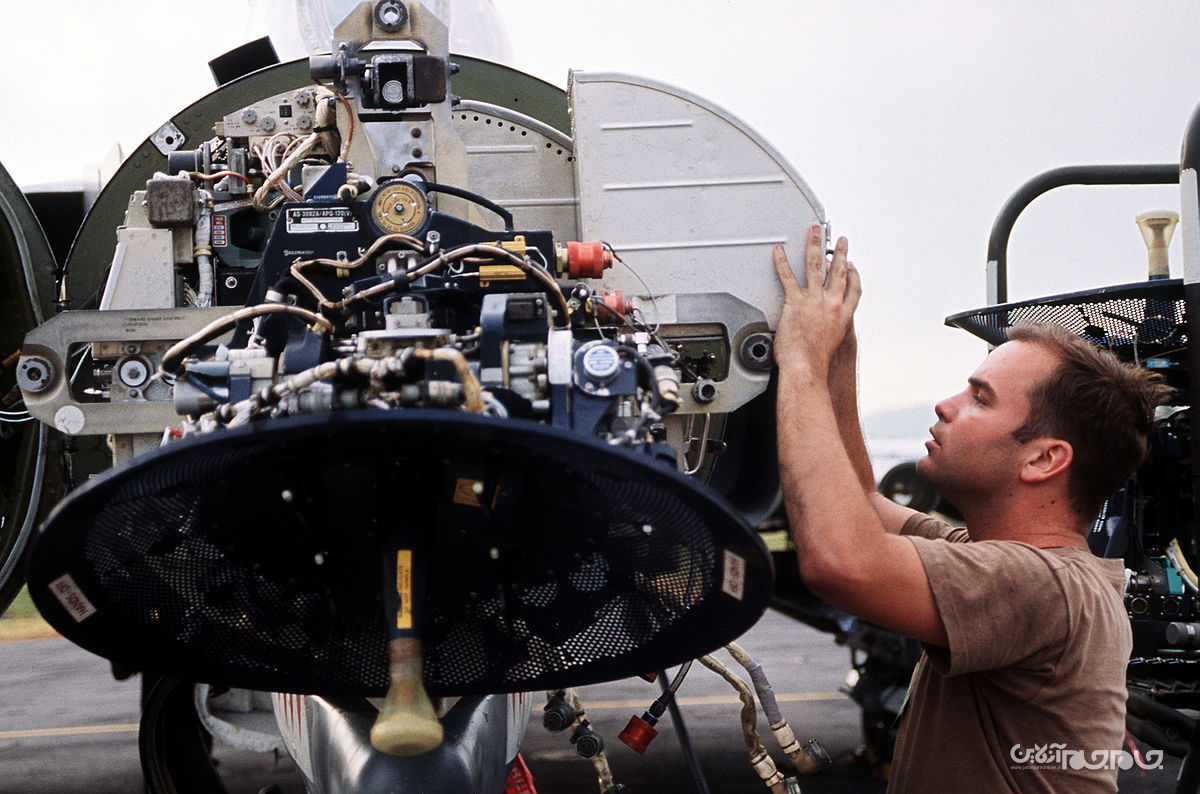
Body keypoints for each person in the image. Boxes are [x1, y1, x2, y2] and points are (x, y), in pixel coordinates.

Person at [771, 224, 1172, 792]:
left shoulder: (1046, 586)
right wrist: (838, 349)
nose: (945, 404)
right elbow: (860, 505)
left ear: (1043, 459)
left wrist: (802, 362)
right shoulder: (1010, 562)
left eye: (980, 398)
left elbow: (842, 561)